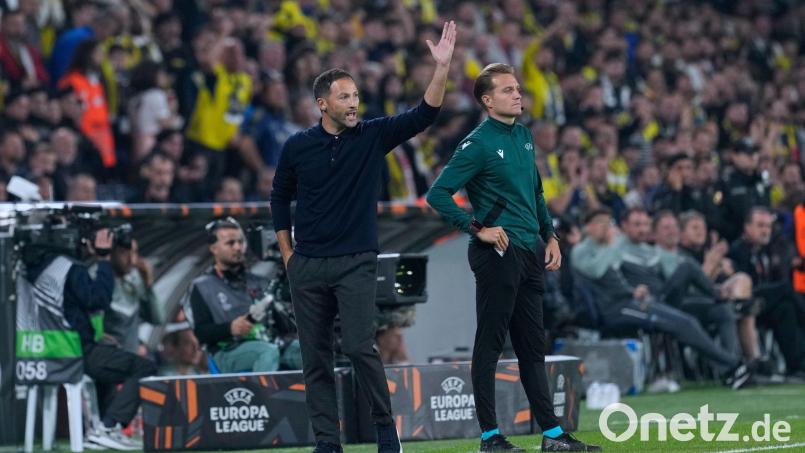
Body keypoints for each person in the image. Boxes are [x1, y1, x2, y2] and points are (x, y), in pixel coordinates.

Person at [270, 21, 457, 453]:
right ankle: (326, 443)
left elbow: (423, 115)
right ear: (322, 104)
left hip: (355, 260)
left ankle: (384, 431)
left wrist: (441, 67)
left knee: (358, 347)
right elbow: (279, 197)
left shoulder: (372, 136)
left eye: (355, 96)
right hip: (308, 265)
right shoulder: (297, 146)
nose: (354, 103)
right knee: (314, 359)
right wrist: (288, 255)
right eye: (344, 97)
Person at [426, 63, 599, 453]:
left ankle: (552, 436)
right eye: (507, 90)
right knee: (490, 344)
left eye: (517, 88)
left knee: (532, 347)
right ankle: (490, 437)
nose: (518, 94)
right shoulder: (477, 144)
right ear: (487, 101)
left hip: (529, 251)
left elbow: (536, 194)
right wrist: (477, 229)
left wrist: (550, 235)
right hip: (497, 253)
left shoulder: (522, 136)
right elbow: (437, 193)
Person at [27, 228, 156, 450]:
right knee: (144, 367)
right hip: (71, 353)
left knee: (106, 362)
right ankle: (108, 426)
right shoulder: (70, 267)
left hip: (37, 353)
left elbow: (64, 311)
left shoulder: (37, 267)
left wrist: (96, 334)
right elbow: (97, 300)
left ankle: (103, 429)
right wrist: (104, 259)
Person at [185, 218, 300, 373]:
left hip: (269, 342)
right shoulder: (201, 286)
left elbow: (284, 326)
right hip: (228, 351)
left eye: (241, 242)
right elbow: (201, 333)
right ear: (213, 248)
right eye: (230, 243)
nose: (238, 247)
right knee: (266, 352)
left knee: (307, 350)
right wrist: (230, 328)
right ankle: (264, 397)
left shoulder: (258, 282)